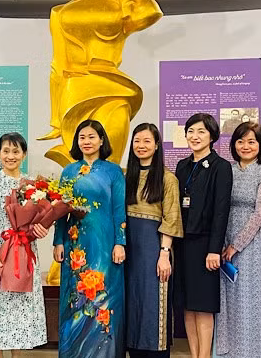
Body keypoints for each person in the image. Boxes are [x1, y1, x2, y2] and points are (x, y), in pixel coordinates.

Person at [38, 0, 163, 166]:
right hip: (75, 89)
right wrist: (56, 119)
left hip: (113, 88)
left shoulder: (122, 4)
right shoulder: (60, 12)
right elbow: (57, 64)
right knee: (77, 165)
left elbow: (151, 12)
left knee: (110, 165)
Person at [52, 120, 127, 358]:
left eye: (92, 136)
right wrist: (58, 241)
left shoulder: (113, 171)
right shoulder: (69, 171)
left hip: (105, 245)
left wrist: (120, 242)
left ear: (102, 140)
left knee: (105, 299)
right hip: (76, 248)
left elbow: (119, 210)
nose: (87, 141)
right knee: (76, 299)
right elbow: (59, 211)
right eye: (82, 137)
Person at [0, 133, 49, 356]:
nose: (11, 156)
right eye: (6, 151)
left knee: (20, 308)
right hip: (0, 251)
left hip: (25, 251)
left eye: (16, 151)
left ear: (24, 154)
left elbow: (39, 219)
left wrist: (40, 229)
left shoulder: (32, 186)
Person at [216, 122, 261, 358]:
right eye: (240, 141)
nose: (245, 146)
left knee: (255, 300)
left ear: (260, 146)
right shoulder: (227, 171)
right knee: (231, 300)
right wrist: (222, 243)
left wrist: (237, 244)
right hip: (226, 242)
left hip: (255, 245)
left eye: (252, 141)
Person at [173, 113, 233, 358]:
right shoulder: (182, 166)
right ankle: (195, 353)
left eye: (201, 132)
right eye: (191, 131)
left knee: (204, 306)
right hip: (182, 244)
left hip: (205, 245)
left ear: (212, 136)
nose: (194, 137)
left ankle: (205, 355)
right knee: (188, 305)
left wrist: (213, 249)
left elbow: (221, 211)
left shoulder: (221, 167)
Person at [123, 123, 182, 357]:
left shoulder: (168, 179)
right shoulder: (125, 176)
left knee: (152, 304)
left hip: (154, 249)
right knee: (130, 302)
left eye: (147, 141)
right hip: (127, 247)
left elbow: (172, 218)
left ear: (157, 145)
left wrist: (164, 254)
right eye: (137, 141)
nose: (141, 146)